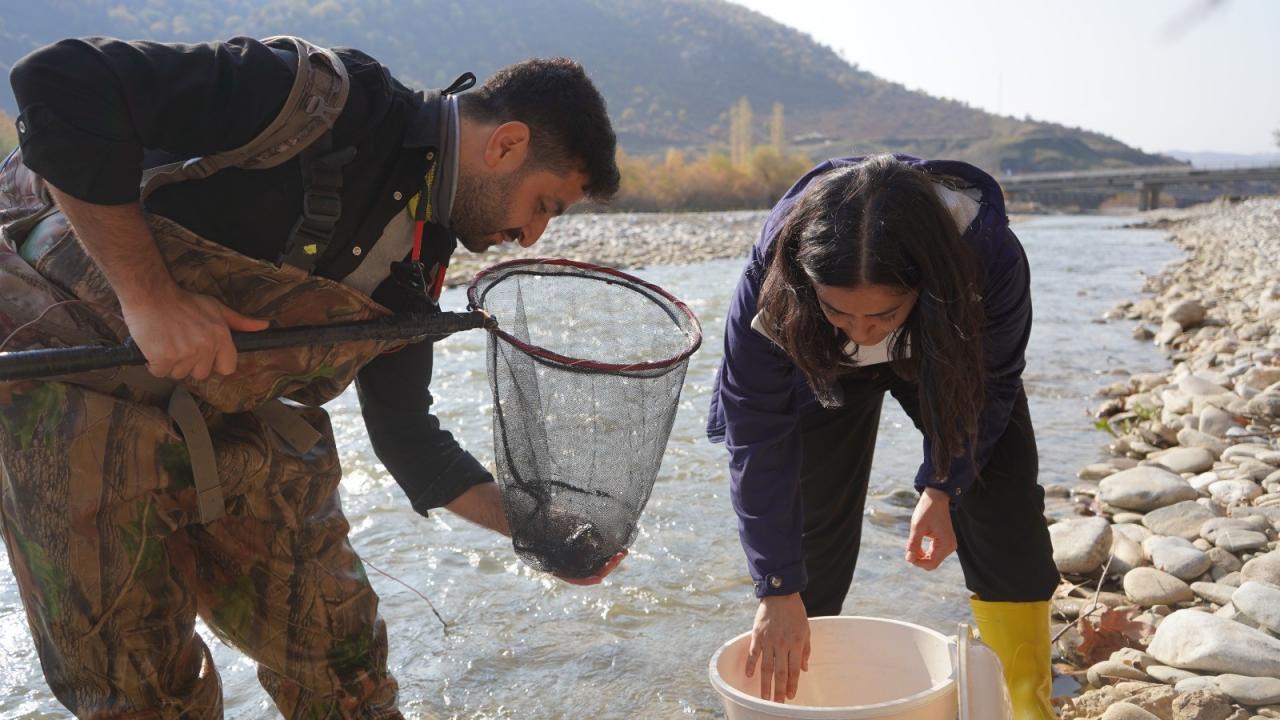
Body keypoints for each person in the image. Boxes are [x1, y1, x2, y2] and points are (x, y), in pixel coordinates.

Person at [0, 35, 622, 718]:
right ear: (506, 145)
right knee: (144, 699)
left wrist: (537, 530)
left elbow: (410, 439)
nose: (532, 235)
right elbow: (57, 81)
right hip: (64, 388)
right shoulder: (319, 100)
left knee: (348, 683)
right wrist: (149, 298)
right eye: (545, 206)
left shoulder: (421, 255)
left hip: (235, 419)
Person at [707, 154, 1060, 719]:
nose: (862, 332)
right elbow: (756, 432)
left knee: (1002, 505)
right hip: (818, 363)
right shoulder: (771, 281)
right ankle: (808, 702)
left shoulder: (988, 257)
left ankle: (1025, 706)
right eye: (840, 311)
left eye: (882, 315)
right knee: (806, 538)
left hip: (945, 352)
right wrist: (774, 585)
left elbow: (992, 384)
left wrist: (943, 486)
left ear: (925, 280)